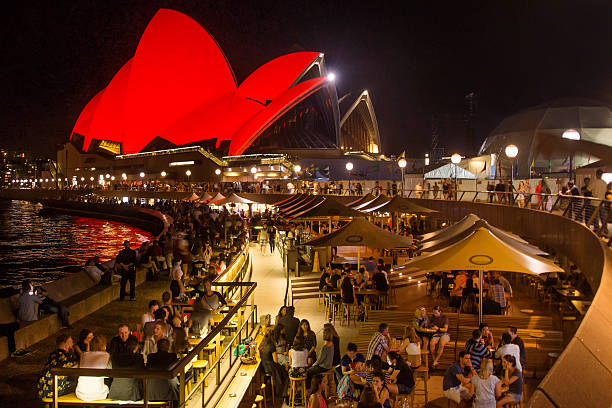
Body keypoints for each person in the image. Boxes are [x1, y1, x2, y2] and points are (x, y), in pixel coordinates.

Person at [38, 334, 78, 399]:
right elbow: (77, 369)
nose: (73, 344)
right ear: (67, 344)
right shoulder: (67, 356)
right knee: (78, 383)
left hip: (42, 390)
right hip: (54, 392)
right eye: (71, 342)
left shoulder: (52, 355)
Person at [75, 335, 110, 402]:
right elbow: (109, 372)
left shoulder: (84, 355)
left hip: (81, 393)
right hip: (97, 394)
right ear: (104, 346)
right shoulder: (106, 355)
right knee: (107, 387)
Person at [109, 337, 144, 401]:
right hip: (132, 394)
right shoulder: (138, 358)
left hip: (115, 392)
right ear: (136, 347)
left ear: (125, 345)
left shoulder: (115, 357)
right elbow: (142, 372)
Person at [259, 330, 288, 396]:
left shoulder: (261, 345)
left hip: (263, 367)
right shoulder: (271, 346)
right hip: (271, 368)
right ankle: (283, 393)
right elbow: (276, 360)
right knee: (285, 373)